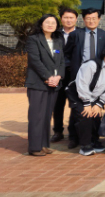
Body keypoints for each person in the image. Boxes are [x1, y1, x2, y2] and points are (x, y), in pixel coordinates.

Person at [63, 8, 105, 149]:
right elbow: (66, 55)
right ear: (83, 20)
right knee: (78, 109)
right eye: (88, 18)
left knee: (95, 109)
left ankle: (94, 138)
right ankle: (73, 137)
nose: (91, 21)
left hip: (97, 79)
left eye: (94, 18)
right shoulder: (76, 34)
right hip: (79, 78)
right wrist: (71, 70)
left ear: (99, 19)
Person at [66, 45, 105, 156]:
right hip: (77, 94)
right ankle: (85, 145)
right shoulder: (91, 65)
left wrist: (99, 104)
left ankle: (94, 141)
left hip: (95, 97)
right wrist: (86, 103)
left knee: (96, 116)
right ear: (104, 55)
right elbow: (82, 83)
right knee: (85, 115)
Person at [25, 14, 65, 156]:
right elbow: (35, 61)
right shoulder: (33, 40)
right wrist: (48, 77)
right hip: (38, 83)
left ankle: (43, 145)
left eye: (53, 22)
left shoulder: (58, 40)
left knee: (47, 115)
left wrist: (59, 76)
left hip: (54, 83)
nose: (50, 25)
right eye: (47, 22)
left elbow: (62, 61)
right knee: (37, 116)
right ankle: (35, 147)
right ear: (41, 24)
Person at [51, 7, 78, 143]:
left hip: (75, 74)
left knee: (75, 103)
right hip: (58, 74)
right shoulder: (55, 34)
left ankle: (73, 131)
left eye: (71, 17)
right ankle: (58, 131)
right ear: (61, 19)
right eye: (66, 17)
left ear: (76, 19)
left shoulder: (81, 34)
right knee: (58, 103)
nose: (68, 20)